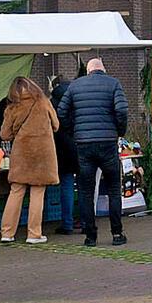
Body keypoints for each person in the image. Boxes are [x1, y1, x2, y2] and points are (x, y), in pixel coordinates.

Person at [57, 57, 128, 247]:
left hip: (84, 144)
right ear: (102, 69)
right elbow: (121, 110)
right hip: (107, 143)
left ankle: (90, 237)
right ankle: (117, 234)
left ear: (88, 70)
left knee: (86, 191)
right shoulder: (114, 84)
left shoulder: (74, 86)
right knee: (114, 189)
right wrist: (119, 131)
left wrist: (74, 131)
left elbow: (61, 112)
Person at [0, 77, 60, 244]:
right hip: (43, 155)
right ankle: (34, 234)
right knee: (38, 193)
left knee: (16, 191)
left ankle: (7, 233)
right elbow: (56, 125)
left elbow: (4, 134)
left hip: (21, 154)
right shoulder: (44, 102)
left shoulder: (12, 107)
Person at [50, 79, 80, 234]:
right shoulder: (79, 98)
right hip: (81, 145)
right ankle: (86, 222)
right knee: (84, 187)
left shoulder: (52, 103)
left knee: (66, 185)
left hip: (61, 149)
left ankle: (67, 224)